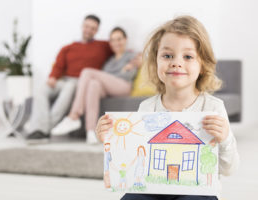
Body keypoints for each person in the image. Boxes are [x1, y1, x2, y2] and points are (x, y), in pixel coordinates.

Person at [95, 15, 239, 200]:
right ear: (156, 62)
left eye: (188, 56)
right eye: (167, 55)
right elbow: (131, 159)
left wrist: (225, 138)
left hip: (197, 190)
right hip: (151, 188)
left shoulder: (213, 107)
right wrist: (110, 141)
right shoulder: (147, 107)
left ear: (202, 64)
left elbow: (230, 168)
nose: (176, 62)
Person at [27, 14, 112, 142]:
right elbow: (58, 66)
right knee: (41, 90)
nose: (89, 30)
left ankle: (42, 131)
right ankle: (41, 128)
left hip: (81, 82)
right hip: (64, 80)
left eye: (93, 28)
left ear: (97, 30)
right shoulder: (68, 48)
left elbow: (119, 47)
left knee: (69, 87)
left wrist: (135, 58)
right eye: (87, 26)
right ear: (82, 26)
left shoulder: (103, 46)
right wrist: (53, 77)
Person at [51, 27, 139, 143]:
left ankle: (74, 116)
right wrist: (121, 71)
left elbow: (127, 75)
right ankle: (91, 132)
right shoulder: (109, 61)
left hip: (123, 86)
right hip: (108, 88)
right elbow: (108, 78)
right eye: (113, 40)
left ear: (125, 40)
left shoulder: (131, 55)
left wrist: (130, 66)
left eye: (119, 39)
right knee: (93, 84)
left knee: (87, 72)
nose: (116, 43)